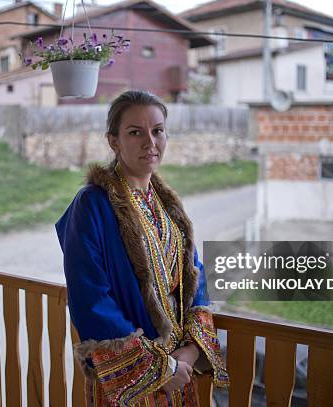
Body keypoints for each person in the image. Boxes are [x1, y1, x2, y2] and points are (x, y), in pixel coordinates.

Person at [56, 90, 229, 406]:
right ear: (114, 141)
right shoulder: (92, 204)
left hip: (180, 371)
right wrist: (160, 367)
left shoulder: (168, 205)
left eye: (158, 130)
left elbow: (196, 278)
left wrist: (190, 351)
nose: (150, 142)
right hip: (129, 380)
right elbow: (89, 299)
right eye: (135, 132)